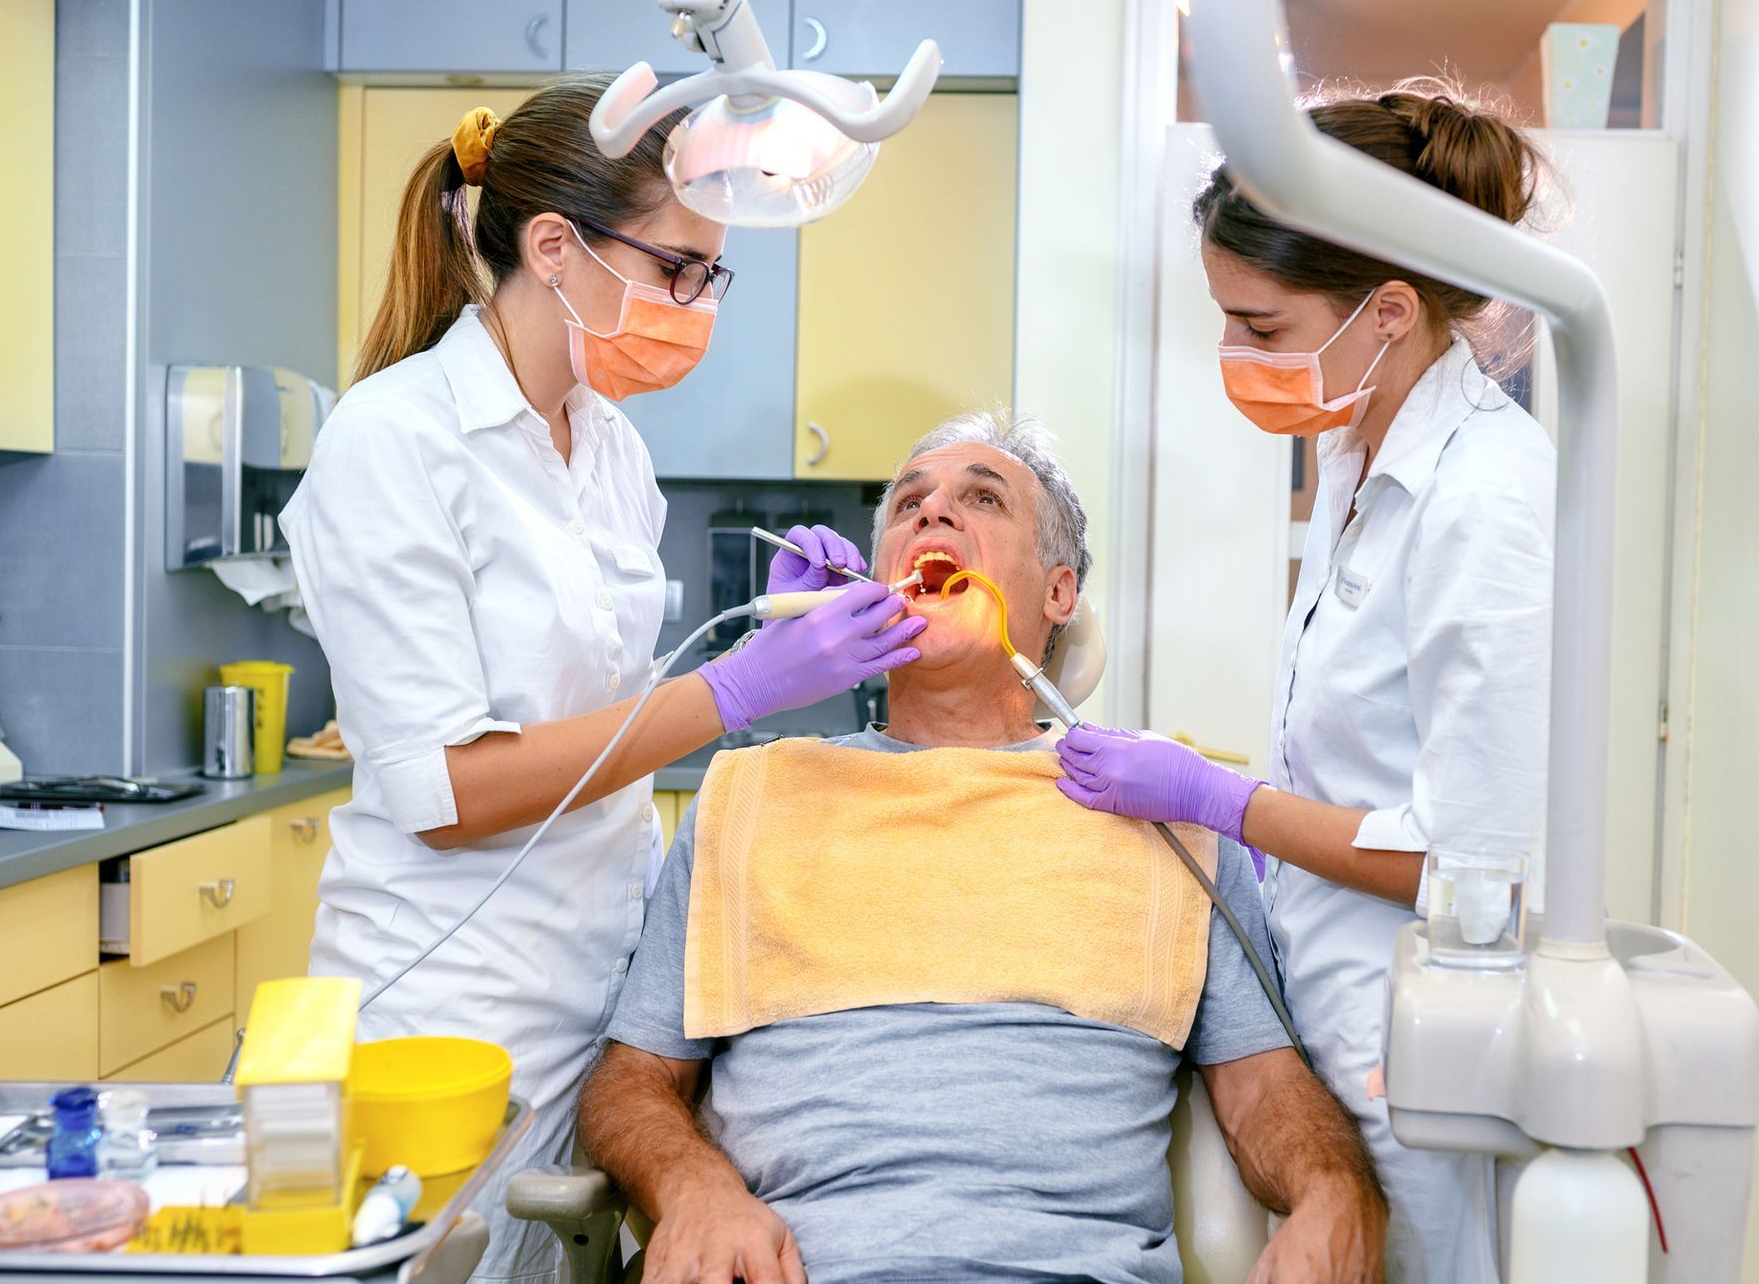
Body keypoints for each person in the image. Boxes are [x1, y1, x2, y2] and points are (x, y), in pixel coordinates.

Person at [280, 76, 924, 1278]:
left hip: (600, 1012)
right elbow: (446, 794)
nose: (697, 305)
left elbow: (592, 688)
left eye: (711, 276)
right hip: (448, 1016)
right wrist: (735, 689)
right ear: (554, 247)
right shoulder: (395, 440)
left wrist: (781, 603)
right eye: (679, 268)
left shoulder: (610, 445)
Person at [580, 413, 1388, 1284]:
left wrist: (1338, 1196)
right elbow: (630, 1083)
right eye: (908, 506)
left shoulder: (1162, 811)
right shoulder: (753, 798)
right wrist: (693, 1185)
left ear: (1058, 594)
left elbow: (1265, 1086)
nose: (932, 516)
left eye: (982, 498)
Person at [1055, 84, 1553, 1283]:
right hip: (1328, 1009)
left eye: (1263, 328)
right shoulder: (1355, 456)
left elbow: (1467, 864)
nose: (1236, 355)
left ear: (1388, 312)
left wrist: (1224, 804)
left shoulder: (1489, 497)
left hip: (1422, 1046)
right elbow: (1366, 758)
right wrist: (1237, 797)